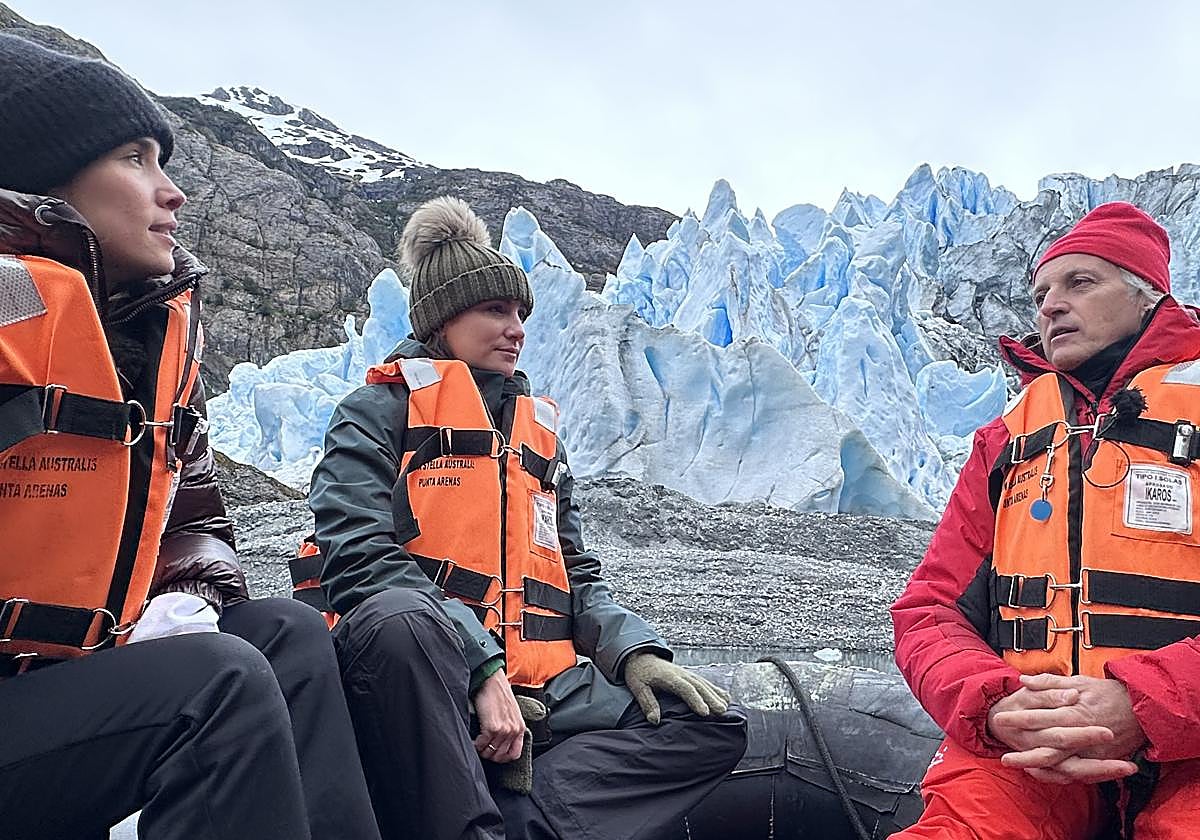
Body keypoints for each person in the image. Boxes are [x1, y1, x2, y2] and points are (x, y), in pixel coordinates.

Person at [0, 34, 380, 840]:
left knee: (288, 635)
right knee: (219, 683)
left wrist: (189, 599)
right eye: (135, 159)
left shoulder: (146, 342)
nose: (172, 192)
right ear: (42, 173)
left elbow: (191, 526)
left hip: (57, 678)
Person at [308, 195, 748, 840]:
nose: (516, 329)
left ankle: (520, 822)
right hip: (429, 673)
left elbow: (574, 572)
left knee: (707, 727)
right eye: (495, 310)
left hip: (544, 684)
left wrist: (634, 653)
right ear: (442, 320)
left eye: (521, 313)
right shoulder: (377, 412)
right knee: (401, 621)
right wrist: (481, 668)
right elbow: (359, 557)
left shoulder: (536, 439)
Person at [891, 201, 1200, 838]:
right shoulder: (1007, 439)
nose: (1051, 306)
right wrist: (994, 703)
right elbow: (929, 609)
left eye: (1080, 283)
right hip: (1030, 743)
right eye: (1040, 294)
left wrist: (1146, 704)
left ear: (1147, 296)